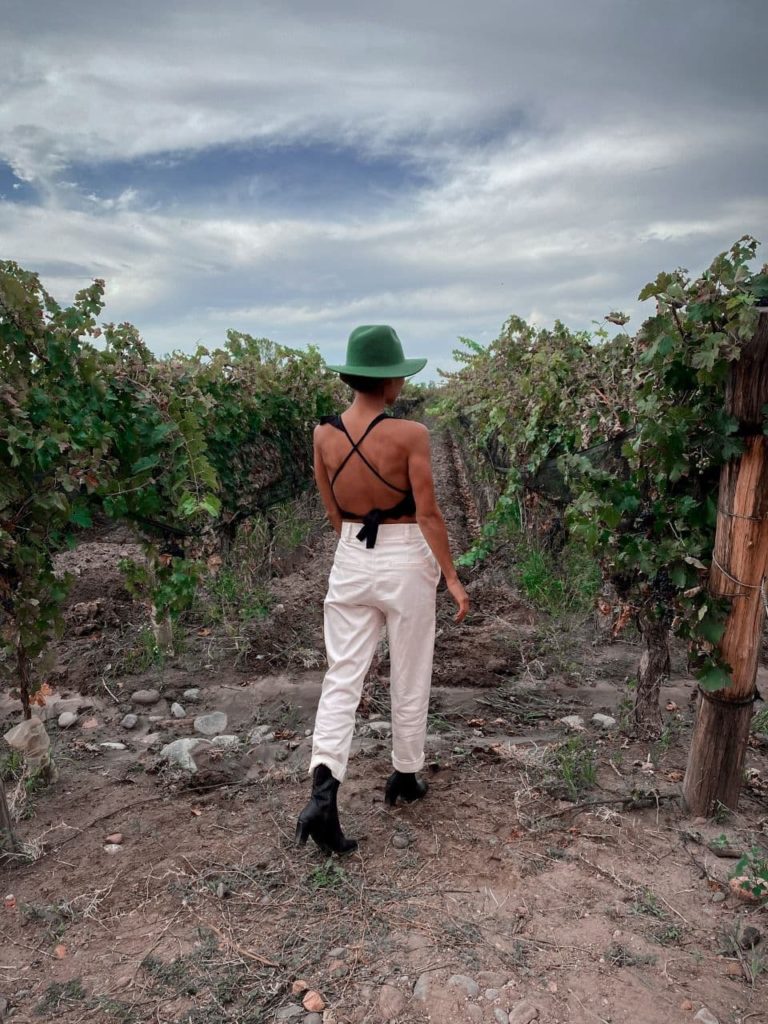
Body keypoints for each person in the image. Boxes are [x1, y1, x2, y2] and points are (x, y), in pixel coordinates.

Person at [296, 324, 470, 854]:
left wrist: (357, 549)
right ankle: (405, 775)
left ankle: (323, 793)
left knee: (342, 675)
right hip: (405, 554)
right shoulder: (411, 434)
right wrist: (452, 576)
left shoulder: (324, 434)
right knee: (411, 669)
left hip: (350, 553)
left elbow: (331, 511)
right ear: (389, 380)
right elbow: (429, 513)